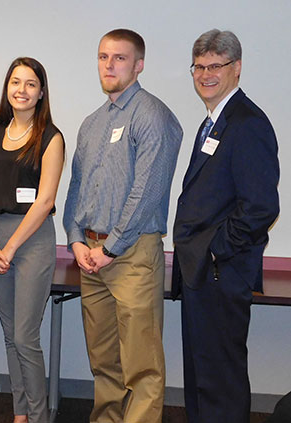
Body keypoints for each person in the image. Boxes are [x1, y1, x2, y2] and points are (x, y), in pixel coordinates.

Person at [62, 29, 182, 423]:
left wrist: (110, 248)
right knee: (105, 361)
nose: (109, 65)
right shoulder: (93, 122)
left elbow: (145, 192)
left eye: (119, 58)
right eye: (102, 57)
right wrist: (76, 239)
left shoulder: (153, 116)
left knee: (141, 366)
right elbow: (77, 187)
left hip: (130, 256)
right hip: (91, 257)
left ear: (139, 65)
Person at [173, 29, 279, 423]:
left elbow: (261, 207)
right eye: (199, 67)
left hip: (220, 271)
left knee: (220, 380)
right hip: (202, 272)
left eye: (215, 65)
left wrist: (215, 249)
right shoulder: (214, 123)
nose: (205, 74)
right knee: (202, 375)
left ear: (236, 68)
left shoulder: (247, 123)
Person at [0, 57, 65, 423]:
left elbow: (45, 200)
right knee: (9, 335)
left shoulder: (51, 138)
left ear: (41, 92)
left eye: (30, 84)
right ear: (7, 88)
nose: (22, 90)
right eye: (16, 82)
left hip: (31, 241)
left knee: (26, 337)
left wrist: (11, 246)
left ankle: (38, 415)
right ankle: (20, 413)